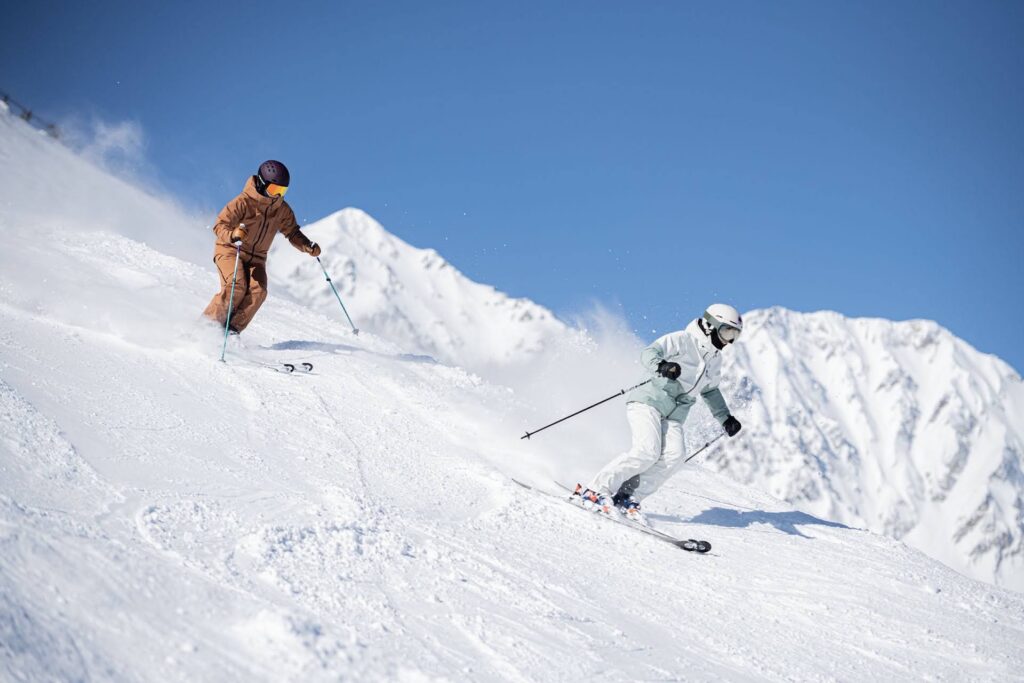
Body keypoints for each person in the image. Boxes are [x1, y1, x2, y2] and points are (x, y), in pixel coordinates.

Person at [576, 304, 745, 521]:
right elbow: (649, 353)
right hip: (649, 402)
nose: (728, 340)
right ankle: (595, 491)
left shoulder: (715, 359)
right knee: (647, 451)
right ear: (710, 326)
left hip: (675, 414)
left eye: (734, 335)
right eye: (726, 332)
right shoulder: (682, 339)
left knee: (675, 457)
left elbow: (710, 390)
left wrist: (725, 418)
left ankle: (627, 496)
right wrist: (662, 365)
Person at [202, 160, 321, 334]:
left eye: (282, 191)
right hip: (231, 250)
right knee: (236, 285)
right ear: (262, 183)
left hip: (257, 258)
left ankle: (231, 331)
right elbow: (220, 225)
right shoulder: (243, 202)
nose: (277, 195)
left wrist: (306, 245)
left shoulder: (282, 209)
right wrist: (233, 235)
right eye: (274, 190)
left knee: (259, 292)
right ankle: (207, 326)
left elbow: (292, 232)